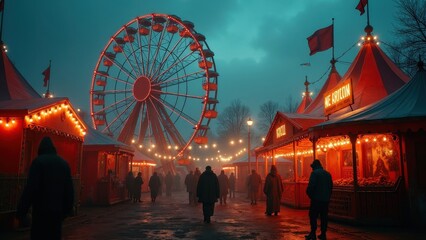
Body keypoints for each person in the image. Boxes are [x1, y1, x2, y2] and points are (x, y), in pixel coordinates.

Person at [17, 136, 74, 240]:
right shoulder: (64, 164)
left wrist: (22, 211)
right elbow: (69, 190)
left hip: (40, 212)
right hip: (57, 213)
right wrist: (67, 211)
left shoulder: (38, 162)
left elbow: (30, 189)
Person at [305, 159, 333, 240]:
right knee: (324, 217)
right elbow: (330, 186)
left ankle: (313, 233)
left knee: (313, 216)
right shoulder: (328, 174)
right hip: (325, 200)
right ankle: (323, 233)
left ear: (314, 166)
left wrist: (310, 195)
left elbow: (311, 186)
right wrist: (328, 196)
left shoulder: (314, 173)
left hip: (316, 199)